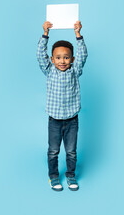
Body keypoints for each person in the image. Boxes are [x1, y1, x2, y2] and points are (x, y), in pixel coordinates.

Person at [36, 20, 88, 191]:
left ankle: (71, 176)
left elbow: (83, 55)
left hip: (72, 120)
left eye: (66, 57)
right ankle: (53, 177)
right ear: (52, 59)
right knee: (53, 151)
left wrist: (78, 35)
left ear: (71, 59)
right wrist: (45, 34)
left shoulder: (75, 70)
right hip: (54, 121)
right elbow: (39, 55)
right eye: (58, 58)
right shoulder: (49, 70)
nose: (62, 61)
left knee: (71, 151)